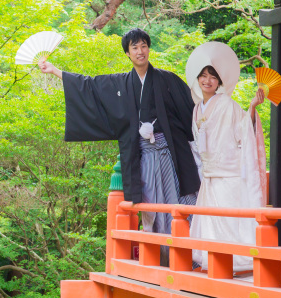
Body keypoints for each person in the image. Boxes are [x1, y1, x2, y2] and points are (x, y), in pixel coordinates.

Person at [38, 28, 200, 265]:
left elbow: (192, 111)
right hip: (142, 156)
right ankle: (158, 258)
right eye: (134, 47)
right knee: (150, 208)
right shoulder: (120, 83)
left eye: (143, 45)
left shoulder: (168, 80)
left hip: (168, 155)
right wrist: (54, 71)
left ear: (149, 48)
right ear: (127, 53)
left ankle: (187, 257)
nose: (140, 51)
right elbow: (89, 85)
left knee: (176, 202)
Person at [184, 42, 267, 272]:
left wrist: (251, 108)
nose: (207, 81)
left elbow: (244, 131)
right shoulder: (196, 109)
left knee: (228, 222)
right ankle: (212, 262)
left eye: (212, 77)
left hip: (227, 176)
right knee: (210, 221)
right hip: (209, 176)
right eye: (203, 76)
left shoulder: (228, 105)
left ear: (219, 81)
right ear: (197, 79)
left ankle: (234, 263)